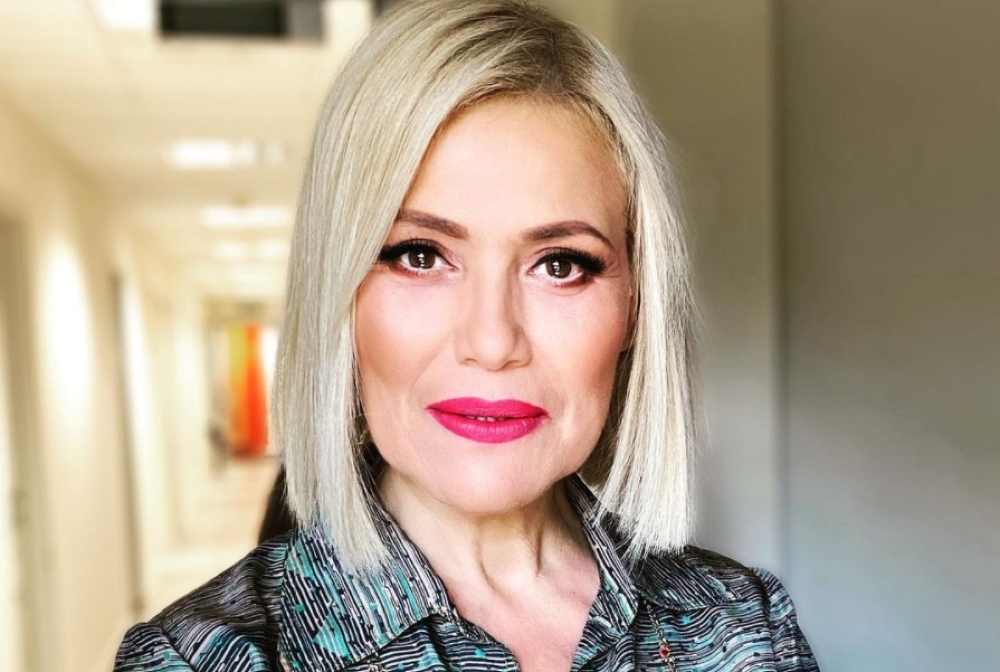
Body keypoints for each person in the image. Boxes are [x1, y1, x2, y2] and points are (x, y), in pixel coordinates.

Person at [114, 1, 820, 670]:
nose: (492, 340)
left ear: (635, 304)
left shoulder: (745, 625)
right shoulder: (193, 660)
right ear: (339, 294)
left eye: (560, 264)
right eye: (420, 255)